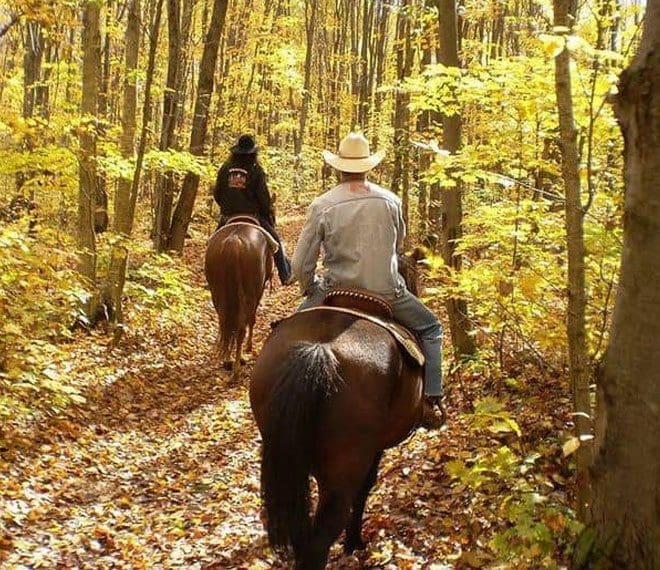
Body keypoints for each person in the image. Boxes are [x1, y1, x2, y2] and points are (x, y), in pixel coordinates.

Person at [290, 132, 445, 429]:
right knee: (431, 328)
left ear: (339, 167)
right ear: (368, 166)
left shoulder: (323, 204)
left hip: (336, 289)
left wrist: (310, 288)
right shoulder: (391, 201)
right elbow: (397, 247)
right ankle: (431, 399)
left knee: (288, 332)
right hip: (386, 292)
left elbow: (300, 263)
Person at [214, 134, 292, 285]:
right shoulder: (256, 170)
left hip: (228, 216)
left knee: (212, 244)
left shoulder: (225, 168)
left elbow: (217, 193)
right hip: (252, 215)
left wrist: (226, 206)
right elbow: (263, 197)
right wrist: (266, 210)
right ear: (253, 153)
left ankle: (210, 278)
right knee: (276, 241)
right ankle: (285, 274)